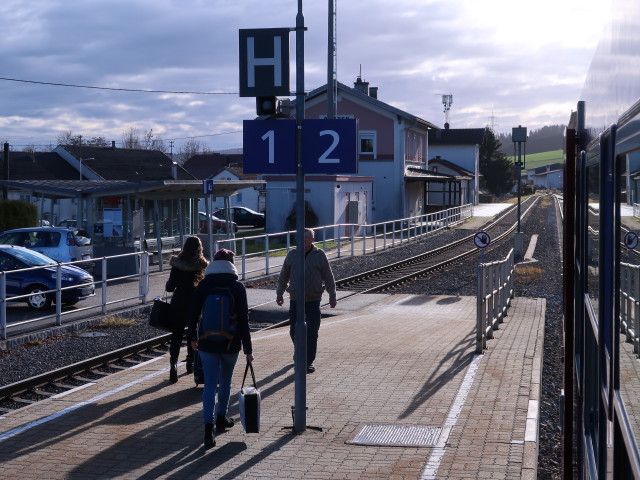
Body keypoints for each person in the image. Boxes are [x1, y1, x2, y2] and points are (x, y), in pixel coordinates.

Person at [188, 248, 254, 449]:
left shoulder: (204, 285)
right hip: (231, 343)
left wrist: (192, 338)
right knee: (225, 381)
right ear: (231, 263)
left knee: (209, 384)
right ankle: (222, 418)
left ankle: (208, 429)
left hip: (206, 343)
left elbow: (193, 315)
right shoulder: (237, 287)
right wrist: (248, 350)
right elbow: (243, 320)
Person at [276, 228, 337, 374]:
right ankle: (300, 354)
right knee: (294, 331)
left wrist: (332, 294)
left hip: (313, 299)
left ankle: (307, 361)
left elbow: (328, 276)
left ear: (312, 240)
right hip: (296, 299)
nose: (303, 241)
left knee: (312, 331)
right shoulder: (292, 254)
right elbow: (283, 276)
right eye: (301, 238)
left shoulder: (319, 254)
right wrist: (279, 293)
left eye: (307, 238)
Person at [165, 236, 208, 383]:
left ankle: (173, 366)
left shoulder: (177, 264)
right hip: (194, 303)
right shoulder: (201, 265)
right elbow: (203, 287)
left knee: (176, 336)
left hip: (178, 303)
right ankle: (190, 365)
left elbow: (170, 287)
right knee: (192, 334)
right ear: (198, 248)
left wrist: (172, 282)